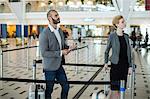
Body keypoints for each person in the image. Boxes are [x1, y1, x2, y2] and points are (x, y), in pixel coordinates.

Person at [39, 9, 76, 99]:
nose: (58, 17)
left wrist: (70, 47)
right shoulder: (44, 34)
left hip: (59, 65)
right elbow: (44, 53)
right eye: (56, 15)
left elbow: (62, 45)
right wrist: (60, 52)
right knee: (49, 90)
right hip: (49, 67)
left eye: (58, 15)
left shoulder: (59, 31)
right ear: (49, 18)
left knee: (66, 86)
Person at [104, 15, 132, 99]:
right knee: (114, 90)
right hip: (115, 65)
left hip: (124, 66)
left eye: (124, 21)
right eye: (122, 22)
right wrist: (105, 62)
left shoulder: (126, 37)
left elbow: (129, 52)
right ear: (117, 24)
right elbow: (107, 50)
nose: (124, 23)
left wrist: (130, 66)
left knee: (121, 89)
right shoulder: (112, 36)